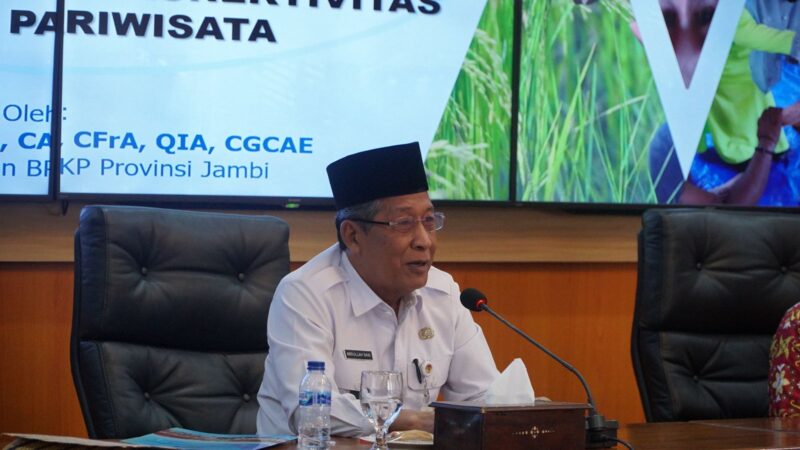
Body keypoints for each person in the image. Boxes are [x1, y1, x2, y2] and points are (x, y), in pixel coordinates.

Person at [256, 142, 500, 437]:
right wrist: (410, 420)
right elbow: (311, 409)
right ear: (353, 235)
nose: (425, 241)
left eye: (428, 220)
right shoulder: (306, 294)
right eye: (404, 223)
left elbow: (484, 400)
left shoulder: (445, 294)